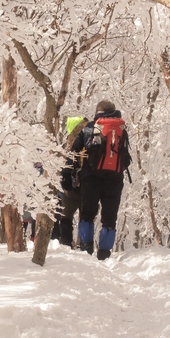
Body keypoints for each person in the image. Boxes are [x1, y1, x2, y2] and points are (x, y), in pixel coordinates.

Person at [70, 100, 131, 260]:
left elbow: (73, 154)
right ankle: (104, 253)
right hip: (114, 180)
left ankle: (86, 248)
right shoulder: (121, 130)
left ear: (97, 112)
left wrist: (74, 174)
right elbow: (126, 159)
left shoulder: (89, 128)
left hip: (91, 179)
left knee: (87, 214)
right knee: (109, 219)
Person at [58, 116, 89, 247]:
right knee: (85, 217)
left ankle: (65, 243)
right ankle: (84, 244)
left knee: (66, 217)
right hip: (87, 185)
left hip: (70, 188)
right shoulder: (89, 140)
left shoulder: (68, 143)